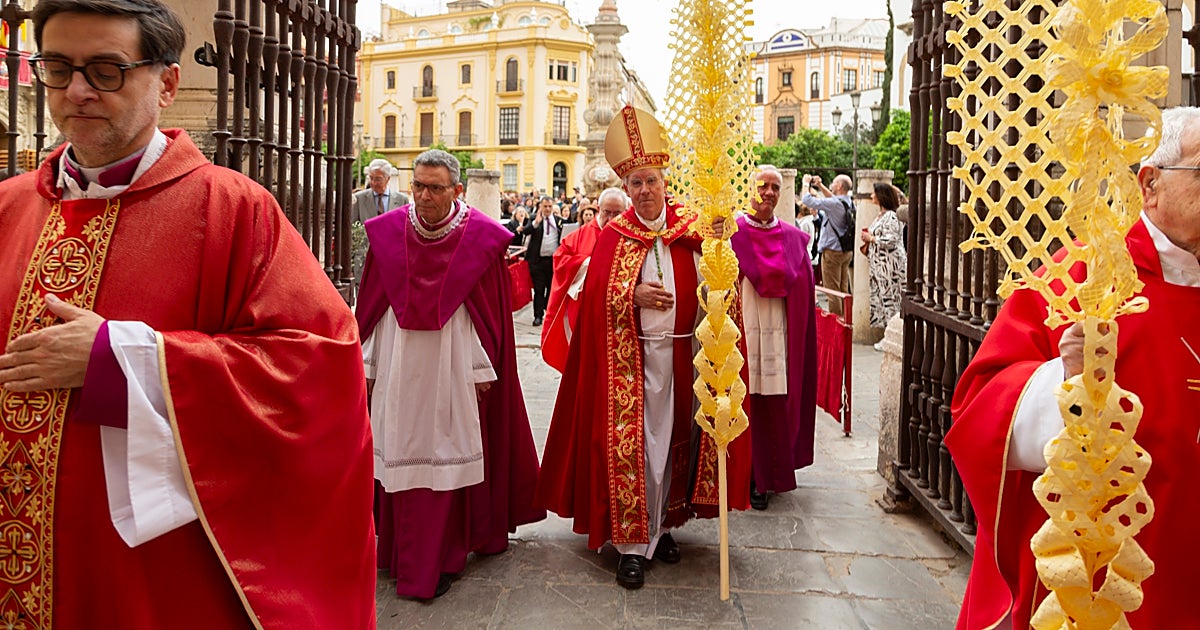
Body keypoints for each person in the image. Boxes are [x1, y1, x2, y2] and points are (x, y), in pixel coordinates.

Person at [0, 0, 376, 626]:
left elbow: (319, 363)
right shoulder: (8, 207)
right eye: (58, 67)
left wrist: (123, 360)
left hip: (148, 569)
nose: (78, 90)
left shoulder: (231, 209)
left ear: (167, 83)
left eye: (107, 70)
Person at [944, 106, 1200, 629]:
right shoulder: (1081, 276)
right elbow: (976, 407)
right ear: (1150, 183)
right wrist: (1062, 384)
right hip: (1101, 576)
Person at [535, 105, 750, 590]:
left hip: (683, 361)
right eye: (636, 184)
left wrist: (720, 249)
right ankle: (632, 544)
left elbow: (724, 286)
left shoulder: (693, 230)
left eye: (651, 180)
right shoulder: (614, 237)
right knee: (640, 447)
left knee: (676, 443)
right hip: (628, 367)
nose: (645, 190)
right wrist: (629, 295)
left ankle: (664, 525)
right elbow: (592, 304)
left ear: (664, 181)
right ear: (626, 190)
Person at [356, 148, 545, 600]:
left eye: (435, 188)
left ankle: (443, 554)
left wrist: (484, 368)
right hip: (400, 369)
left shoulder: (481, 239)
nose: (423, 196)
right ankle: (400, 553)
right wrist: (369, 364)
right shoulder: (386, 234)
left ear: (458, 190)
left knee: (447, 455)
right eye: (418, 185)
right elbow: (374, 307)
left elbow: (490, 317)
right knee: (399, 451)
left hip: (454, 370)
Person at [731, 166, 818, 511]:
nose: (768, 192)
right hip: (742, 332)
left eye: (775, 188)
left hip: (778, 336)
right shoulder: (731, 235)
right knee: (740, 400)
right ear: (749, 190)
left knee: (771, 405)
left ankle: (763, 476)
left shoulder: (793, 239)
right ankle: (738, 472)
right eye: (762, 186)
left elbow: (803, 292)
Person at [540, 187, 627, 372]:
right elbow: (560, 260)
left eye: (617, 213)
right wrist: (588, 264)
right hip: (586, 314)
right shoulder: (580, 236)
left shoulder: (631, 235)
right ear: (598, 208)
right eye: (607, 212)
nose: (611, 219)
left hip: (621, 316)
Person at [859, 182, 907, 346]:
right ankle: (889, 336)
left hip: (890, 267)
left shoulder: (892, 216)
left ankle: (893, 337)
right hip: (881, 267)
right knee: (884, 300)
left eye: (874, 193)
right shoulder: (882, 215)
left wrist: (871, 238)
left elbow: (891, 240)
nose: (871, 196)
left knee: (892, 301)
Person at [802, 173, 856, 315]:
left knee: (832, 291)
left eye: (833, 183)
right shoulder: (848, 202)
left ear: (839, 186)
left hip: (832, 252)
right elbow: (832, 198)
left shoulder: (834, 204)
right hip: (845, 251)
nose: (831, 185)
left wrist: (805, 183)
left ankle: (837, 323)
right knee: (843, 290)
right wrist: (820, 185)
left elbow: (807, 200)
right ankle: (846, 320)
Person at [519, 196, 563, 326]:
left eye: (550, 206)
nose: (548, 209)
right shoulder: (534, 219)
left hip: (553, 261)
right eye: (545, 206)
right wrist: (535, 223)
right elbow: (525, 232)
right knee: (539, 289)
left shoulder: (558, 221)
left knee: (551, 288)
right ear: (541, 207)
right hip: (537, 261)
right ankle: (538, 316)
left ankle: (548, 311)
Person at [353, 158, 408, 224]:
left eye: (378, 179)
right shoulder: (359, 199)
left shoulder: (402, 200)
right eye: (371, 178)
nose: (373, 183)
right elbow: (353, 228)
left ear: (388, 178)